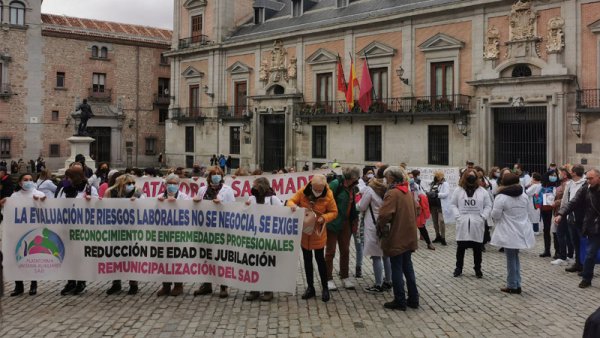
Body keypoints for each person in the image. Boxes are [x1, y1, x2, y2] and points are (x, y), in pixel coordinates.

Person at [288, 174, 338, 302]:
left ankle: (325, 288)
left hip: (318, 233)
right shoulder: (303, 191)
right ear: (311, 185)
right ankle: (310, 288)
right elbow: (291, 201)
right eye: (315, 190)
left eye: (319, 190)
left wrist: (324, 218)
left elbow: (334, 212)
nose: (317, 192)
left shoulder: (328, 195)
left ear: (324, 187)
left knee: (320, 260)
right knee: (307, 261)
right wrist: (293, 206)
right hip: (305, 233)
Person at [377, 166, 419, 310]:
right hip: (408, 235)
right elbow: (416, 209)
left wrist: (381, 227)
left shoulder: (393, 193)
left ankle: (399, 300)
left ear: (391, 178)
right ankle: (413, 299)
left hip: (397, 235)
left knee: (396, 267)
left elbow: (383, 215)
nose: (385, 180)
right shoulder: (407, 191)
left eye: (386, 177)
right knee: (408, 267)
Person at [490, 173, 535, 294]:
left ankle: (512, 285)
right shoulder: (524, 195)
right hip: (521, 230)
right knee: (515, 257)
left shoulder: (501, 197)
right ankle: (517, 283)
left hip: (508, 231)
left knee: (511, 258)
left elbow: (495, 215)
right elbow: (528, 211)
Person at [194, 167, 236, 298]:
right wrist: (195, 201)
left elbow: (232, 207)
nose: (216, 176)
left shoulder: (227, 190)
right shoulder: (202, 189)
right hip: (205, 228)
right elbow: (196, 207)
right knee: (206, 256)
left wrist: (221, 203)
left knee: (220, 257)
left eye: (218, 174)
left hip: (221, 228)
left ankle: (223, 286)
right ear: (209, 176)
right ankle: (206, 285)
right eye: (214, 174)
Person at [555, 168, 600, 288]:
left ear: (599, 178)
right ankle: (586, 278)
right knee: (590, 254)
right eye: (587, 178)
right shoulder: (586, 188)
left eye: (591, 178)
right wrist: (561, 213)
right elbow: (573, 202)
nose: (588, 180)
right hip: (594, 227)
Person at [57, 167, 98, 295]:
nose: (66, 180)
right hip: (67, 227)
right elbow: (56, 204)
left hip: (82, 229)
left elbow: (99, 206)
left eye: (68, 177)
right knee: (68, 256)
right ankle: (70, 281)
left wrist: (91, 201)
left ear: (75, 177)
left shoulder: (89, 189)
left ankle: (81, 281)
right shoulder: (64, 190)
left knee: (79, 256)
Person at [244, 177, 284, 302]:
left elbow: (283, 214)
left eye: (254, 185)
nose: (252, 187)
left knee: (266, 264)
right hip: (254, 237)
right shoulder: (251, 198)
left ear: (260, 186)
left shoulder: (273, 199)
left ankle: (268, 290)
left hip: (268, 238)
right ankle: (254, 289)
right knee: (253, 264)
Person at [104, 174, 144, 295]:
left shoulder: (137, 192)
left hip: (132, 231)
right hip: (115, 230)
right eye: (128, 183)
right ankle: (116, 283)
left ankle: (133, 284)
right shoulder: (110, 193)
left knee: (131, 256)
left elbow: (145, 208)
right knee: (115, 256)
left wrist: (136, 202)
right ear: (121, 184)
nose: (131, 185)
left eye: (132, 182)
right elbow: (103, 208)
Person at [155, 174, 193, 297]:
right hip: (164, 234)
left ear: (179, 185)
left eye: (174, 183)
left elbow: (189, 211)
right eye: (169, 183)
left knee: (177, 259)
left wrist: (176, 203)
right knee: (164, 259)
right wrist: (158, 203)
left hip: (178, 234)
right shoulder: (159, 197)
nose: (172, 185)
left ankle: (178, 285)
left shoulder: (184, 197)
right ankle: (166, 285)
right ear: (165, 185)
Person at [450, 168, 492, 278]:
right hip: (463, 221)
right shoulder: (458, 190)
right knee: (461, 247)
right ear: (465, 177)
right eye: (469, 175)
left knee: (477, 248)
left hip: (476, 222)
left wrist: (483, 217)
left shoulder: (482, 191)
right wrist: (457, 216)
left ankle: (477, 268)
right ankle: (458, 268)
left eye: (473, 175)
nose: (471, 177)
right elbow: (453, 204)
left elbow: (488, 205)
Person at [9, 173, 46, 296]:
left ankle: (33, 284)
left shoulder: (39, 194)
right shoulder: (15, 196)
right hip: (18, 232)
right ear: (20, 183)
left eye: (30, 179)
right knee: (17, 258)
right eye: (25, 180)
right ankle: (18, 286)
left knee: (32, 258)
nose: (28, 181)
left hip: (34, 232)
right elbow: (10, 213)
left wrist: (38, 202)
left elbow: (47, 212)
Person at [357, 166, 392, 292]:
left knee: (376, 255)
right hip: (386, 224)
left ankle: (378, 284)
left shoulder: (370, 189)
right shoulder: (389, 189)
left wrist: (356, 205)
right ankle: (388, 281)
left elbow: (362, 206)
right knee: (386, 255)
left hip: (373, 224)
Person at [325, 166, 360, 291]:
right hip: (333, 222)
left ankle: (344, 276)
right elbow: (326, 201)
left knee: (345, 250)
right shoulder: (336, 184)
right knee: (331, 251)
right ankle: (328, 278)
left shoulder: (352, 187)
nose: (357, 179)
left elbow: (353, 204)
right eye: (356, 177)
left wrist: (354, 219)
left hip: (346, 223)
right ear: (352, 177)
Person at [563, 164, 586, 273]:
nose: (569, 172)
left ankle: (584, 265)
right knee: (574, 241)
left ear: (574, 173)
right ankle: (578, 263)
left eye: (571, 171)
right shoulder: (570, 184)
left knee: (583, 242)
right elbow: (566, 200)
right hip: (570, 216)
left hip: (581, 217)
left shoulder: (585, 184)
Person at [552, 166, 574, 265]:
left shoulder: (567, 184)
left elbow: (567, 199)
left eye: (560, 173)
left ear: (564, 174)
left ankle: (563, 256)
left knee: (561, 233)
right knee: (567, 235)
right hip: (562, 211)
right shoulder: (563, 183)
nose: (558, 175)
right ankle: (568, 255)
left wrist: (556, 202)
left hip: (564, 212)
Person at [539, 170, 559, 257]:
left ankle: (557, 251)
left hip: (556, 209)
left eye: (555, 175)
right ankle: (547, 250)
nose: (554, 177)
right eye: (552, 175)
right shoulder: (543, 185)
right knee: (546, 229)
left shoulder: (559, 185)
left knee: (555, 230)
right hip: (545, 208)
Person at [428, 171, 451, 245]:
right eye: (435, 176)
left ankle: (443, 237)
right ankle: (437, 236)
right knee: (435, 222)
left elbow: (446, 194)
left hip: (440, 205)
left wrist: (437, 194)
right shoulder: (433, 183)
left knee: (441, 221)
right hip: (433, 205)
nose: (436, 177)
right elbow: (431, 191)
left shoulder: (445, 183)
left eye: (437, 176)